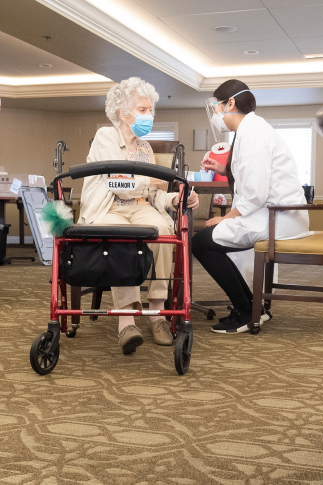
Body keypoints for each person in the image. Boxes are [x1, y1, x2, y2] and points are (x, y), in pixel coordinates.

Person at [79, 77, 199, 354]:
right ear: (124, 113)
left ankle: (157, 312)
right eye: (143, 110)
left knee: (164, 231)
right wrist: (150, 184)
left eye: (150, 109)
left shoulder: (145, 149)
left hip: (141, 207)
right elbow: (114, 181)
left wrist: (177, 197)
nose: (149, 115)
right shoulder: (105, 137)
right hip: (107, 207)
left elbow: (156, 195)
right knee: (121, 238)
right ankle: (126, 320)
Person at [192, 80, 310, 334]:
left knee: (201, 243)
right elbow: (254, 174)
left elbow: (256, 191)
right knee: (208, 240)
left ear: (231, 103)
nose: (216, 114)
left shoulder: (253, 131)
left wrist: (228, 218)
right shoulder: (252, 129)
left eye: (217, 106)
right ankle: (253, 307)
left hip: (277, 216)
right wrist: (224, 169)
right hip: (275, 213)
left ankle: (246, 310)